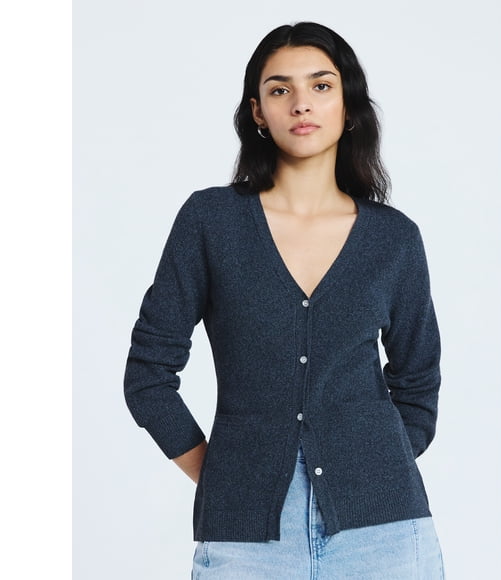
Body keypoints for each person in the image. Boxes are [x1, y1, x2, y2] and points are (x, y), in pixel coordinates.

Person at [124, 21, 445, 579]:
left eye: (321, 86)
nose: (302, 104)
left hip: (385, 539)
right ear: (257, 111)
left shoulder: (393, 238)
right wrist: (223, 475)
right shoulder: (211, 222)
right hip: (246, 542)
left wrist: (370, 470)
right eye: (280, 89)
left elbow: (418, 383)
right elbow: (147, 375)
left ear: (348, 104)